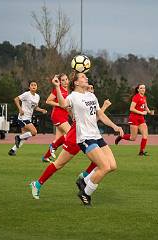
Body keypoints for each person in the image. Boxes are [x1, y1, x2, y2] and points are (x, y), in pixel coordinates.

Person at [43, 72, 123, 206]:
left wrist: (115, 126)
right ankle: (85, 193)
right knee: (104, 167)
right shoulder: (73, 96)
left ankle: (84, 182)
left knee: (112, 166)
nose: (86, 78)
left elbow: (100, 115)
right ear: (76, 83)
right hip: (85, 138)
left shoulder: (91, 95)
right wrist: (57, 87)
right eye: (82, 77)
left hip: (96, 136)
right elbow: (62, 104)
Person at [30, 83, 113, 200]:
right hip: (75, 138)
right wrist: (104, 107)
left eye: (92, 88)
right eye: (89, 88)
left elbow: (94, 118)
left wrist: (102, 107)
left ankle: (84, 178)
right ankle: (37, 184)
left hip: (88, 137)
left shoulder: (91, 100)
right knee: (59, 164)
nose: (91, 90)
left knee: (100, 160)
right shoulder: (78, 100)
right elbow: (91, 117)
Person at [8, 81, 47, 156]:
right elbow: (16, 99)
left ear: (37, 87)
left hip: (28, 118)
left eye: (35, 85)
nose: (33, 86)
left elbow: (35, 107)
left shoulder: (37, 96)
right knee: (34, 132)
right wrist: (20, 109)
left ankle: (12, 150)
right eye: (32, 85)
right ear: (29, 87)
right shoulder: (26, 94)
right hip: (23, 118)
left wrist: (41, 110)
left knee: (25, 137)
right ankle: (18, 137)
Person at [114, 84, 154, 156]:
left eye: (144, 88)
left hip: (141, 118)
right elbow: (131, 108)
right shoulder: (136, 97)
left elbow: (146, 107)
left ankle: (141, 152)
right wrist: (141, 112)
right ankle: (121, 136)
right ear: (138, 90)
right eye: (141, 88)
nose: (143, 89)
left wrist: (149, 112)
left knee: (145, 135)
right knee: (133, 138)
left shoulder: (144, 97)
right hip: (134, 118)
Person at [42, 73, 71, 162]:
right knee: (71, 134)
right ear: (59, 82)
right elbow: (48, 101)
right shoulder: (58, 90)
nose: (65, 81)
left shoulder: (68, 91)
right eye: (63, 80)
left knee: (58, 140)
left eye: (66, 79)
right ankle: (53, 147)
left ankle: (46, 157)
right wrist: (59, 104)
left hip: (64, 117)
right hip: (58, 116)